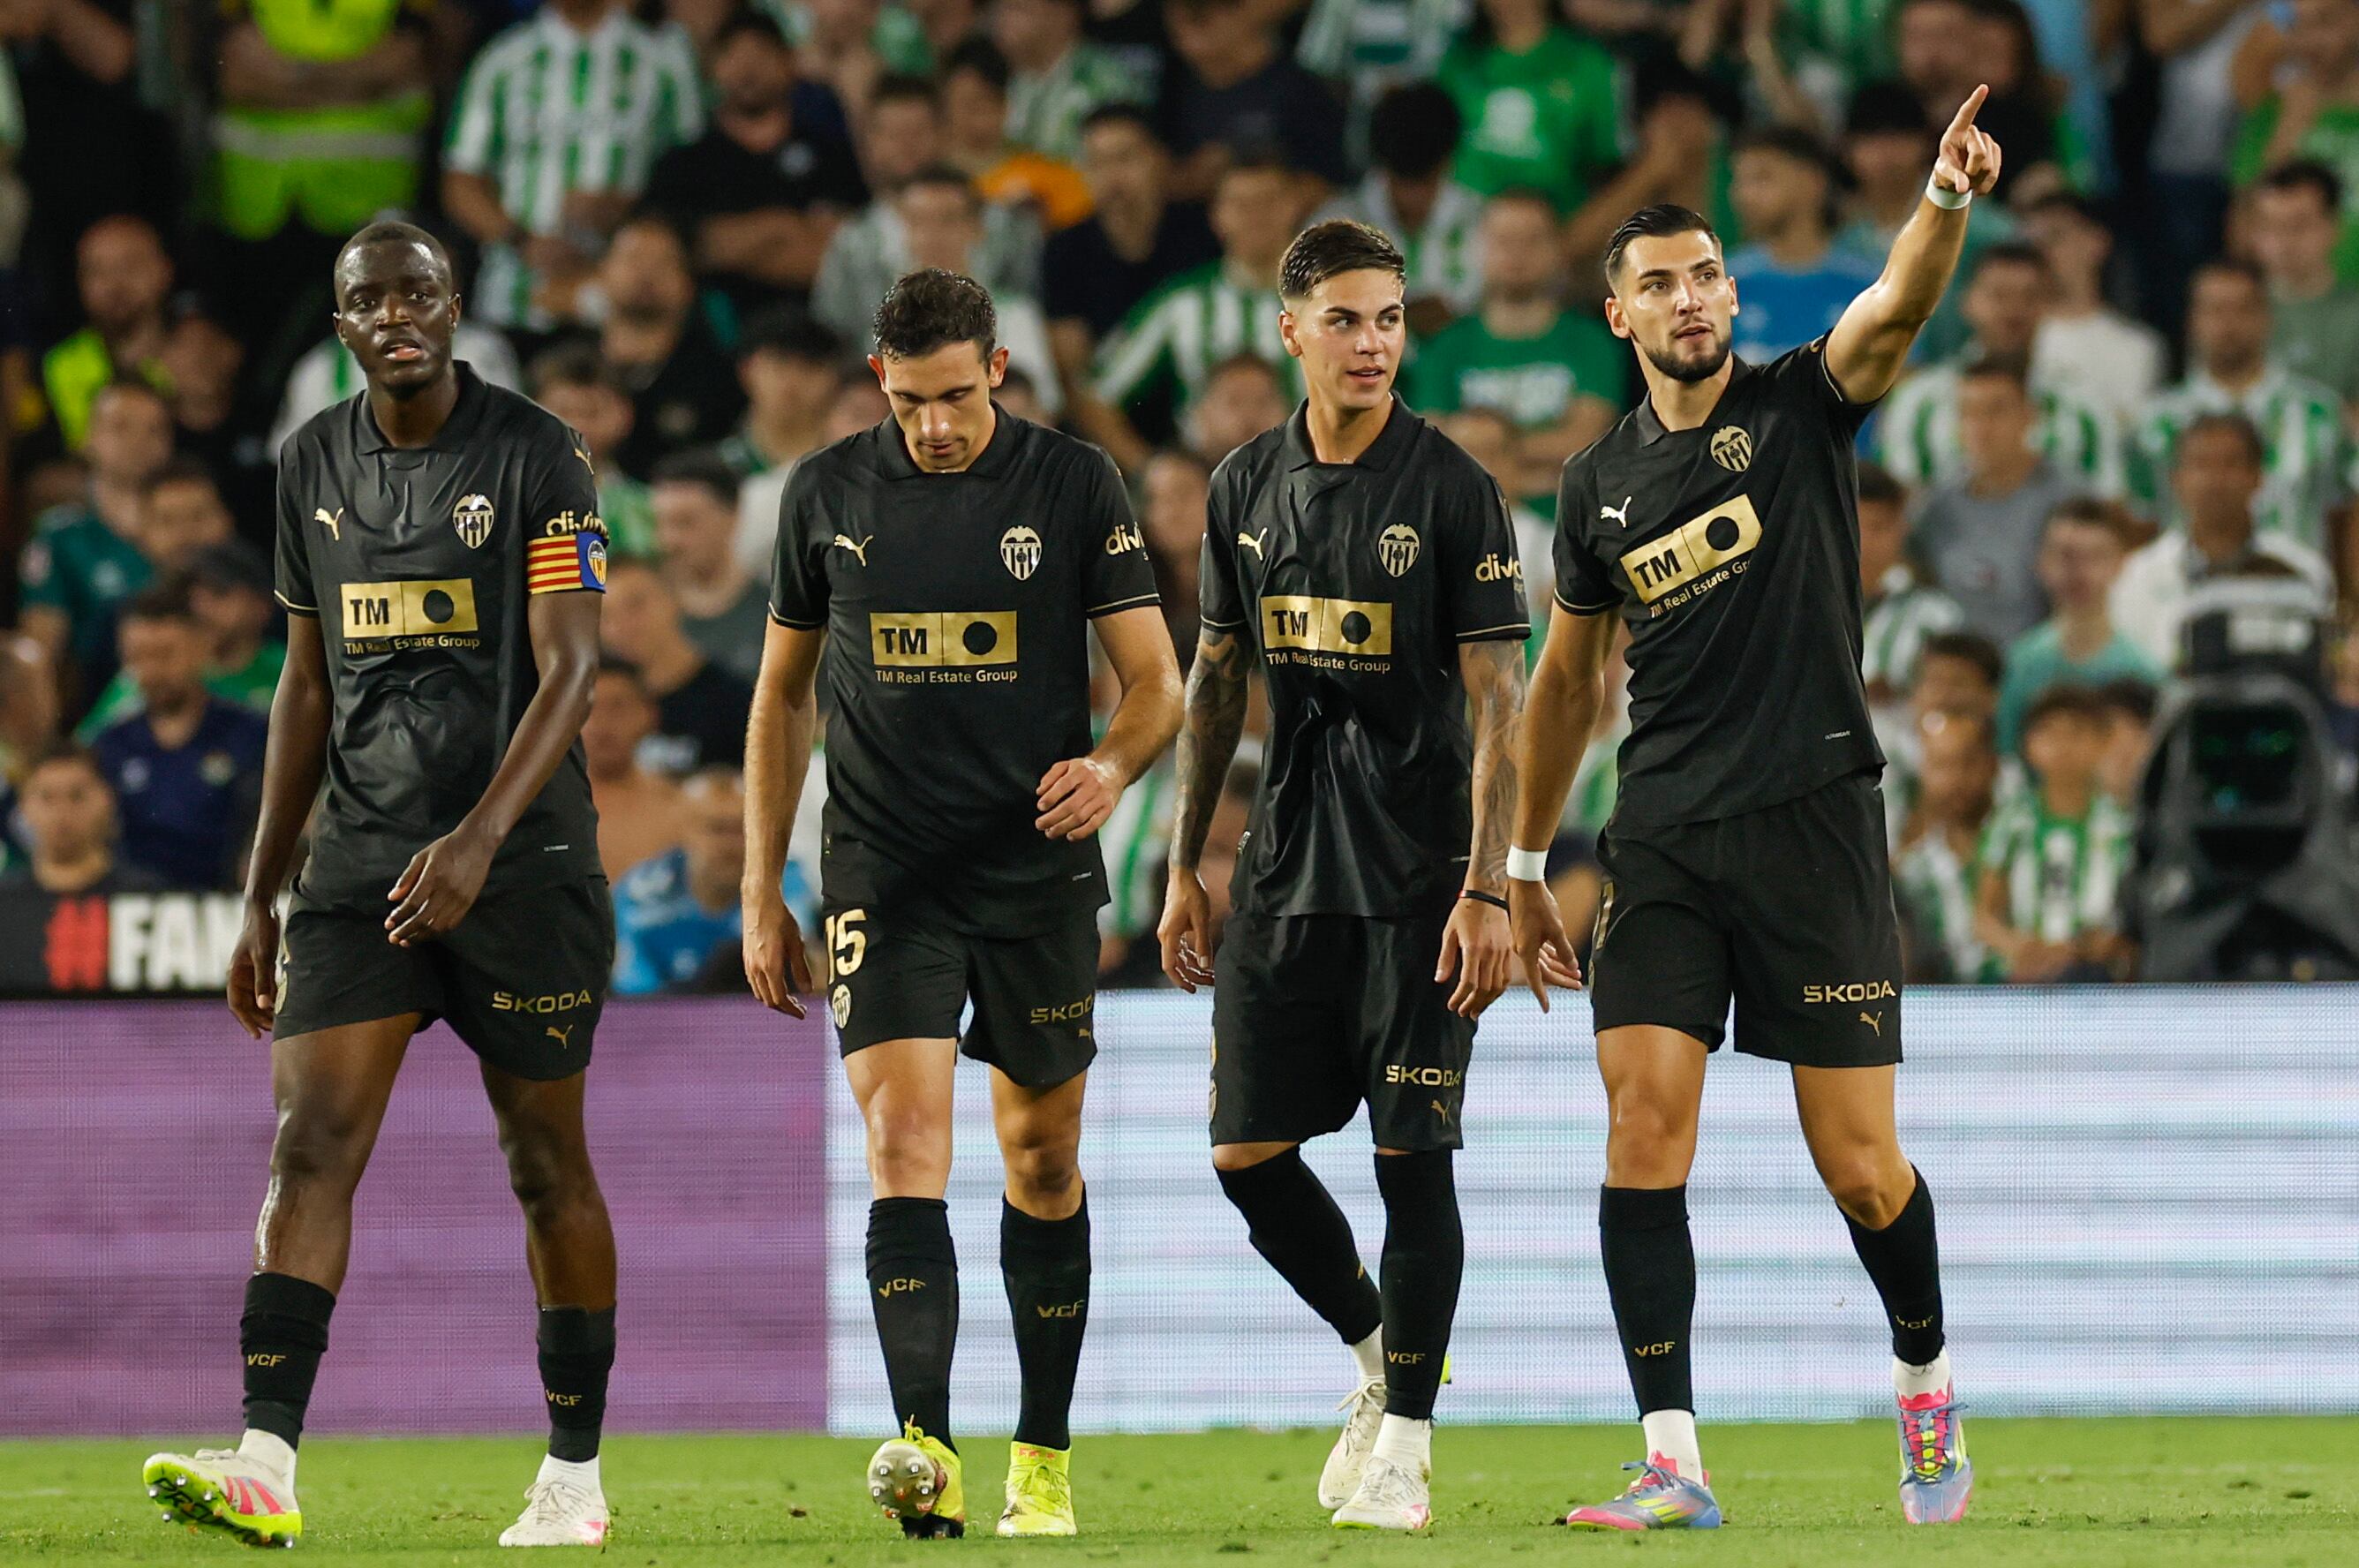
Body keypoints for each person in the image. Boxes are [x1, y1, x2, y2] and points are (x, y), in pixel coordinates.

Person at [1511, 87, 2005, 1531]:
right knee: (1640, 1128)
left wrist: (1944, 198)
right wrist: (1524, 861)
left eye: (1707, 274)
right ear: (1617, 314)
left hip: (1812, 823)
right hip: (1663, 834)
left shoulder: (1796, 406)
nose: (1690, 298)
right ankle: (1672, 1459)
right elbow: (1564, 684)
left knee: (1859, 1168)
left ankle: (1923, 1377)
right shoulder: (1595, 487)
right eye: (1659, 282)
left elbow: (1896, 309)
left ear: (1732, 295)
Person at [138, 223, 618, 1549]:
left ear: (455, 309)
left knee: (545, 1165)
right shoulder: (309, 462)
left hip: (521, 866)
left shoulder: (541, 455)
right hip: (357, 865)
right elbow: (304, 682)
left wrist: (476, 841)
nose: (395, 316)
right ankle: (264, 1462)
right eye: (368, 301)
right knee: (309, 1144)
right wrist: (261, 890)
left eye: (417, 294)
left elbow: (575, 668)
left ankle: (573, 1476)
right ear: (342, 326)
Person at [742, 268, 1181, 1539]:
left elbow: (1155, 684)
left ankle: (1041, 1456)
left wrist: (1110, 769)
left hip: (1032, 870)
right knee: (903, 1144)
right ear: (877, 380)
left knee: (1042, 1157)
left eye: (956, 396)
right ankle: (925, 1449)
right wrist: (763, 886)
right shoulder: (823, 494)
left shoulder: (1073, 483)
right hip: (884, 871)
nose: (935, 425)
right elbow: (781, 696)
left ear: (996, 369)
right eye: (910, 401)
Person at [1158, 221, 1533, 1533]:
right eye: (1346, 320)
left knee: (1408, 1161)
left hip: (1422, 880)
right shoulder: (1243, 486)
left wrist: (1489, 888)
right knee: (1243, 1151)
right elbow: (1217, 679)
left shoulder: (1453, 489)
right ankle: (1381, 1360)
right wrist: (1184, 863)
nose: (1373, 344)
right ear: (1291, 331)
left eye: (1389, 319)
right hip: (1284, 868)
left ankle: (1410, 1450)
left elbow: (1501, 701)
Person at [441, 0, 704, 332]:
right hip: (513, 303)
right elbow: (461, 180)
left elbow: (695, 175)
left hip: (628, 313)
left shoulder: (662, 64)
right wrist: (523, 241)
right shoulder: (502, 60)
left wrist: (625, 209)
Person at [1084, 154, 1303, 469]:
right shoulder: (1181, 302)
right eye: (1241, 205)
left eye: (1268, 201)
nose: (1255, 216)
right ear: (1217, 216)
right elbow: (1098, 397)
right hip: (1206, 485)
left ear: (1293, 205)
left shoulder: (1338, 302)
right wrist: (1154, 473)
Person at [2125, 260, 2351, 554]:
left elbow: (2347, 516)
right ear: (2192, 321)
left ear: (2267, 317)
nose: (2228, 324)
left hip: (2296, 580)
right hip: (2186, 581)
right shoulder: (2153, 423)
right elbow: (2140, 524)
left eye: (2243, 309)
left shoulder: (2320, 414)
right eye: (2215, 310)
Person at [646, 9, 865, 312]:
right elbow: (683, 250)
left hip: (820, 322)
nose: (747, 68)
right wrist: (783, 226)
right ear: (711, 68)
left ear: (790, 63)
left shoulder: (831, 155)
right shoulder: (685, 164)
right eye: (733, 55)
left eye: (762, 54)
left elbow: (849, 248)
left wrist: (743, 245)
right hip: (716, 326)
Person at [1407, 190, 1625, 475]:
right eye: (1503, 240)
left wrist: (1488, 446)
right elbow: (1432, 448)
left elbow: (1585, 444)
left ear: (1558, 248)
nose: (1517, 252)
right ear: (1477, 248)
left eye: (1533, 240)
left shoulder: (1592, 341)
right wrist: (1537, 463)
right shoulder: (1446, 346)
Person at [1878, 244, 2117, 495]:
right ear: (1968, 301)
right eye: (1999, 295)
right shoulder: (1918, 402)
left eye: (2030, 296)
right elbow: (1897, 502)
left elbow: (2107, 503)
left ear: (2048, 304)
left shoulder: (2085, 407)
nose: (2014, 311)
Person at [2111, 413, 2336, 669]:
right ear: (2177, 480)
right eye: (2201, 464)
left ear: (2258, 477)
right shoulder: (2139, 574)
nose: (2215, 479)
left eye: (2231, 464)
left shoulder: (2303, 570)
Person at [86, 583, 268, 890]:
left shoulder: (252, 734)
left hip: (229, 902)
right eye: (137, 657)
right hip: (131, 905)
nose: (151, 670)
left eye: (165, 654)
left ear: (202, 648)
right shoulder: (110, 745)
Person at [1043, 106, 1219, 411]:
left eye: (1125, 158)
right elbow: (1076, 376)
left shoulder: (1205, 233)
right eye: (1097, 163)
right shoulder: (1065, 249)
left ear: (1159, 160)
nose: (1113, 177)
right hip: (1109, 414)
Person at [15, 377, 173, 701]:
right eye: (121, 426)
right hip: (98, 709)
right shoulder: (61, 536)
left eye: (154, 430)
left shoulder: (193, 525)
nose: (138, 441)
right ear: (88, 438)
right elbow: (41, 648)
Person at [1908, 356, 2081, 643]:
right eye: (1968, 413)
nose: (1981, 428)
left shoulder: (2068, 502)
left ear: (2029, 416)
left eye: (1996, 411)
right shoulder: (1935, 506)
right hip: (1956, 661)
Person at [1973, 683, 2133, 982]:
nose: (2063, 746)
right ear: (2028, 745)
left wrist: (2109, 943)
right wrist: (2019, 948)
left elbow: (2135, 911)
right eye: (2049, 733)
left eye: (2076, 732)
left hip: (2098, 975)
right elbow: (1983, 917)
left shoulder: (2121, 825)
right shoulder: (2011, 821)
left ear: (2102, 742)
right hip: (2023, 977)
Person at [614, 766, 810, 995]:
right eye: (717, 829)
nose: (730, 844)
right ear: (684, 830)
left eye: (743, 830)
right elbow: (632, 994)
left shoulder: (786, 885)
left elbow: (794, 976)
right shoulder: (641, 895)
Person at [1313, 80, 1484, 327]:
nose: (1412, 199)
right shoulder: (1336, 228)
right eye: (1402, 183)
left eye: (1424, 184)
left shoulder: (1486, 222)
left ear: (1445, 163)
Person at [79, 541, 286, 740]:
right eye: (190, 596)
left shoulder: (287, 667)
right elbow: (88, 744)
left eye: (218, 593)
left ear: (262, 603)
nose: (201, 607)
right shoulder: (138, 681)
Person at [1996, 501, 2159, 753]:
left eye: (2094, 556)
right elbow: (2008, 757)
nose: (2078, 571)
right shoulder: (2020, 664)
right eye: (2065, 555)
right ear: (2041, 561)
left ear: (2120, 563)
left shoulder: (2143, 672)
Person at [591, 214, 745, 477]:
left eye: (663, 263)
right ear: (601, 272)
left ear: (688, 284)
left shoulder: (718, 379)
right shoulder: (563, 359)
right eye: (634, 259)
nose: (646, 274)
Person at [1433, 0, 1623, 215]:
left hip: (1557, 223)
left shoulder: (1589, 64)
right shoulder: (1456, 61)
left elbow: (1607, 167)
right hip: (1465, 221)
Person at [1725, 126, 1884, 364]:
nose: (1743, 194)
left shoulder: (1867, 285)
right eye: (1740, 181)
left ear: (1813, 183)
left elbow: (1902, 374)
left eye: (1762, 178)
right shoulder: (1724, 284)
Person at [1157, 0, 1347, 194]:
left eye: (1200, 18)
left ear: (1236, 13)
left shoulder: (1299, 91)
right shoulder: (1173, 87)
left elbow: (1328, 182)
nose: (1186, 36)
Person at [2019, 192, 2164, 435]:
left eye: (2055, 237)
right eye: (2033, 244)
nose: (2042, 253)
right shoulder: (2011, 340)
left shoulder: (2136, 348)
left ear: (2097, 242)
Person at [599, 554, 754, 773]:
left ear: (673, 599)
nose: (620, 627)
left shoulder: (735, 703)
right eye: (605, 616)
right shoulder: (595, 713)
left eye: (635, 605)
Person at [40, 213, 173, 452]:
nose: (114, 284)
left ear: (165, 270)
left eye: (129, 265)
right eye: (97, 270)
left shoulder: (197, 355)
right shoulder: (56, 364)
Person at [1893, 709, 2001, 984]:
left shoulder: (2022, 848)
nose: (1956, 778)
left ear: (1993, 765)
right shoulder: (1909, 872)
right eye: (1941, 765)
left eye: (1968, 762)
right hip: (1935, 1002)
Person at [2249, 161, 2359, 411]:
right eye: (2269, 226)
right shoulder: (2230, 309)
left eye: (2298, 227)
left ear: (2334, 227)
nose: (2282, 243)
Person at [651, 450, 767, 685]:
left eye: (685, 523)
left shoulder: (777, 614)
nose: (669, 540)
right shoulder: (642, 615)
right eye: (660, 524)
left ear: (733, 517)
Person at [527, 344, 655, 555]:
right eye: (563, 412)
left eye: (591, 413)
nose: (577, 427)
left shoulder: (649, 509)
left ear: (624, 415)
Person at [0, 742, 163, 893]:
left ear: (107, 800)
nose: (62, 812)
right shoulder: (5, 903)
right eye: (47, 798)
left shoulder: (146, 897)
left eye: (77, 796)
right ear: (23, 805)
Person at [993, 0, 1148, 162]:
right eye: (1000, 8)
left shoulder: (1105, 83)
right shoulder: (1009, 77)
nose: (1002, 19)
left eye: (1018, 9)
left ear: (1064, 15)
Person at [582, 658, 684, 881]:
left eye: (617, 708)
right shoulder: (538, 805)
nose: (602, 724)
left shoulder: (678, 807)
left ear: (649, 715)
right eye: (588, 708)